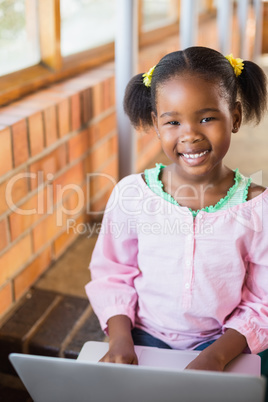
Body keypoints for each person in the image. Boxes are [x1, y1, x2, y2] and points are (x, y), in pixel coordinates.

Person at [85, 46, 268, 371]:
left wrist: (216, 356)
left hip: (224, 342)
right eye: (173, 122)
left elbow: (263, 299)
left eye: (207, 118)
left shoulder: (257, 208)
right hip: (141, 337)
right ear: (156, 125)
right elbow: (113, 273)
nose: (190, 134)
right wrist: (120, 340)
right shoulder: (132, 195)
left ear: (235, 117)